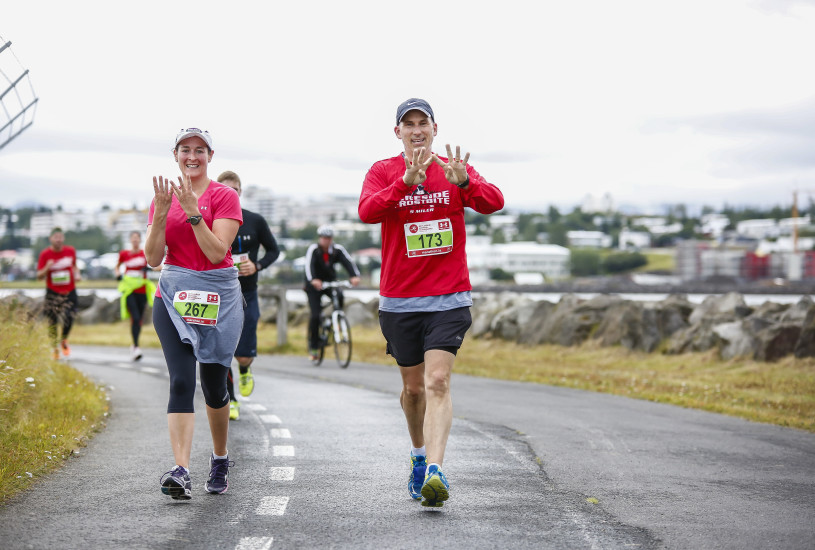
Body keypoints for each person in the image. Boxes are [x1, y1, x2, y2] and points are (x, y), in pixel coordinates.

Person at [358, 98, 504, 507]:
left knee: (437, 381)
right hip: (400, 300)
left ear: (435, 129)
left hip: (449, 297)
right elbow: (367, 211)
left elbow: (495, 202)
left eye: (424, 123)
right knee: (413, 390)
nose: (417, 129)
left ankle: (436, 472)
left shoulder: (453, 168)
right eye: (409, 124)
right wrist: (404, 182)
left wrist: (465, 184)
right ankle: (419, 455)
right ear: (398, 132)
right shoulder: (383, 171)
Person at [145, 128, 244, 500]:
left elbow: (217, 252)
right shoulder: (161, 198)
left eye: (199, 150)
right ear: (175, 155)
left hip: (218, 296)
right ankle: (181, 469)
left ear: (210, 155)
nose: (192, 156)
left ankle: (219, 458)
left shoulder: (225, 196)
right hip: (173, 295)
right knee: (182, 381)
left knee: (215, 386)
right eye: (185, 149)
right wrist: (160, 215)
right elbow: (153, 258)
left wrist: (192, 214)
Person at [218, 170, 281, 421]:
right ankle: (230, 400)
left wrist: (258, 265)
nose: (229, 195)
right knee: (222, 353)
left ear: (240, 193)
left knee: (242, 355)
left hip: (249, 292)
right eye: (224, 191)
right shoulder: (210, 221)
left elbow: (274, 250)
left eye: (234, 191)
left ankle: (244, 369)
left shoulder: (254, 220)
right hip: (222, 294)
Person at [304, 225, 361, 361]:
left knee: (340, 296)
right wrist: (313, 280)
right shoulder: (314, 249)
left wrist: (354, 276)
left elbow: (348, 263)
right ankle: (314, 346)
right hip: (314, 285)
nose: (326, 240)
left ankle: (337, 319)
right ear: (320, 238)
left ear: (332, 239)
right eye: (323, 238)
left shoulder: (337, 250)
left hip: (330, 282)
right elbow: (308, 266)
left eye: (328, 238)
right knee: (316, 315)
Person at [36, 227, 80, 360]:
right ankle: (54, 348)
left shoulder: (70, 251)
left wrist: (77, 274)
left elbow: (75, 266)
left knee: (69, 316)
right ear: (51, 239)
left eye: (60, 237)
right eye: (56, 237)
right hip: (53, 292)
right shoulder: (45, 254)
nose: (58, 240)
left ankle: (64, 340)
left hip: (69, 291)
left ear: (63, 239)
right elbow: (39, 276)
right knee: (52, 322)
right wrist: (47, 267)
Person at [116, 230, 156, 361]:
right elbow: (117, 267)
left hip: (142, 290)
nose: (135, 240)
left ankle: (134, 344)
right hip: (129, 291)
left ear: (140, 240)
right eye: (132, 238)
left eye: (137, 238)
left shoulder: (144, 253)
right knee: (135, 316)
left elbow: (157, 265)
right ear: (130, 240)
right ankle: (137, 347)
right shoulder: (124, 254)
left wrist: (149, 268)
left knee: (138, 320)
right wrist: (118, 274)